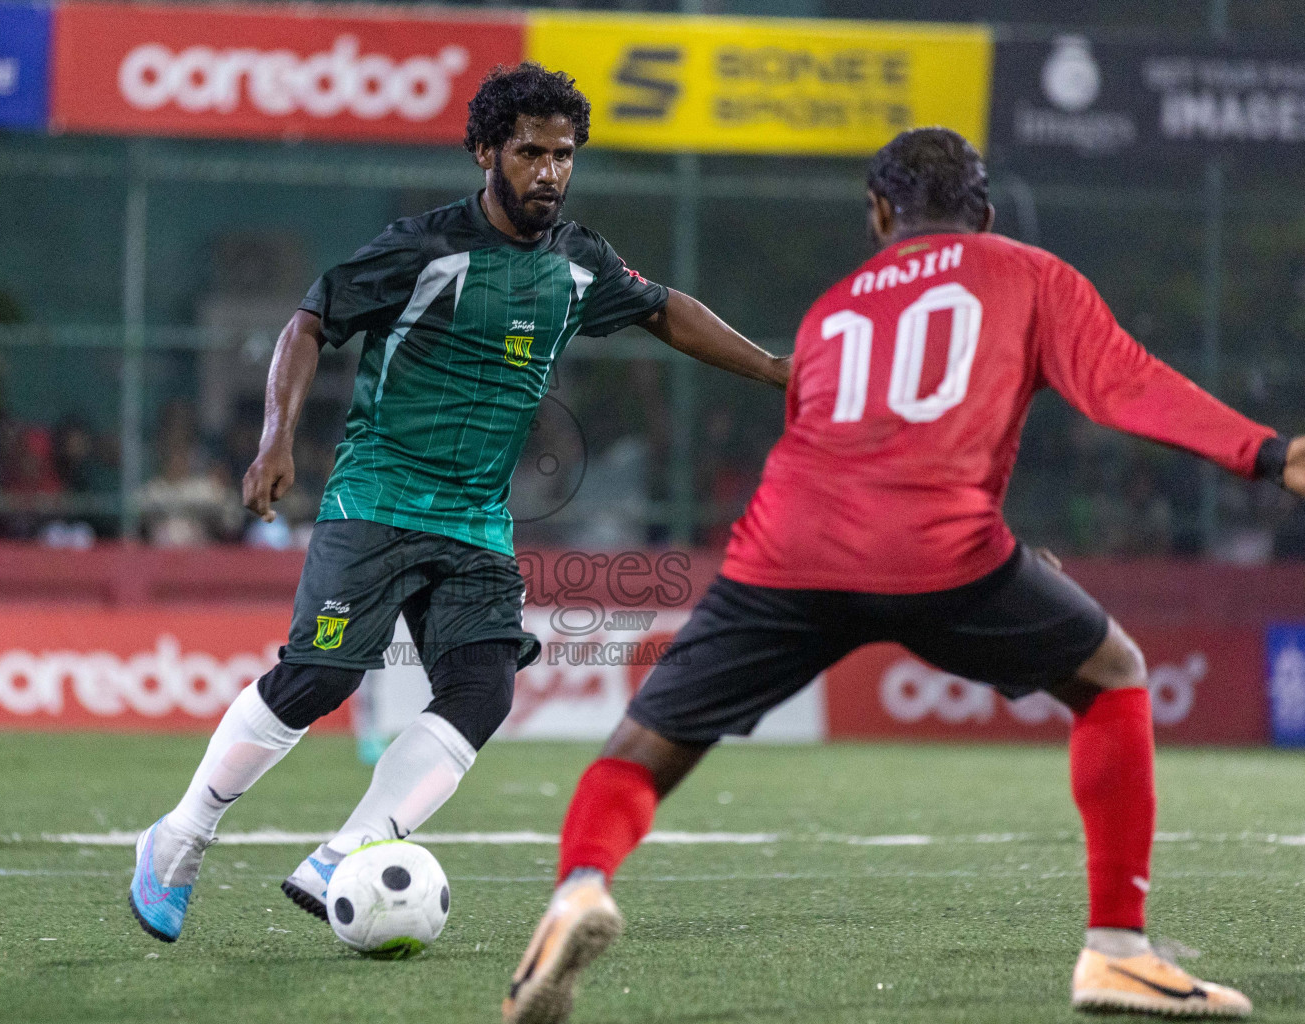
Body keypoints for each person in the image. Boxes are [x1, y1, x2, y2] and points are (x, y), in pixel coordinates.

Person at [502, 127, 1305, 1024]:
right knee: (1111, 674)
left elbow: (827, 436)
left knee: (640, 752)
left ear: (880, 214)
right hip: (939, 550)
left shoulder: (833, 308)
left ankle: (578, 887)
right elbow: (1126, 384)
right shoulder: (1029, 272)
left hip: (784, 552)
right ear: (986, 215)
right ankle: (1117, 952)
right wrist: (1267, 455)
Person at [127, 63, 788, 943]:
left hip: (476, 521)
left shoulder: (580, 263)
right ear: (485, 151)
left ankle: (345, 854)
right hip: (379, 497)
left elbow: (666, 310)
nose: (549, 171)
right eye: (529, 152)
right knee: (320, 676)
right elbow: (309, 321)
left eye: (563, 155)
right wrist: (274, 439)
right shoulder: (422, 248)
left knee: (480, 692)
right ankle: (178, 839)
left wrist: (778, 371)